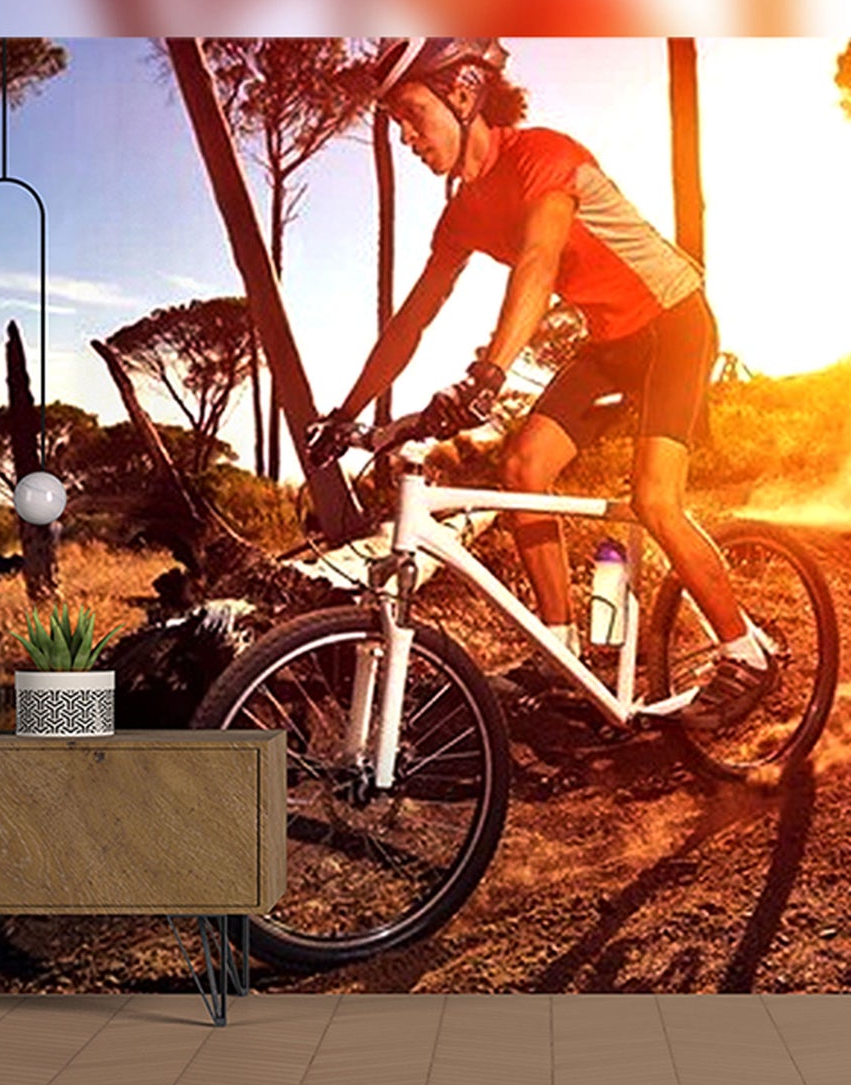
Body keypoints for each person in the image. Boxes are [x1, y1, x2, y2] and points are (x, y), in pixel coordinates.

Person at [306, 37, 773, 727]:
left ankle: (747, 653)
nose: (405, 136)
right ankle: (560, 650)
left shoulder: (543, 156)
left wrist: (490, 372)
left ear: (463, 94)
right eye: (396, 124)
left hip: (674, 323)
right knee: (523, 464)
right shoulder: (461, 212)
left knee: (652, 497)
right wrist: (344, 414)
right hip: (612, 344)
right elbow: (413, 316)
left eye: (411, 114)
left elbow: (539, 259)